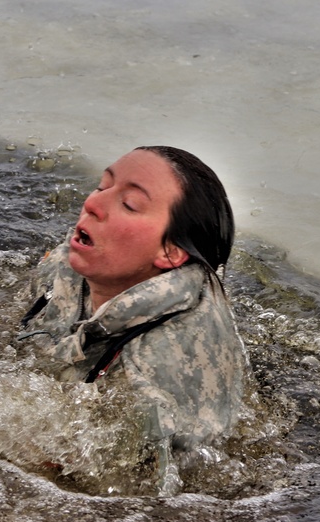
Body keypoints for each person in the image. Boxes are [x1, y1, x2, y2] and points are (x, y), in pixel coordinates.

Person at [17, 146, 246, 494]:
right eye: (102, 185)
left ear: (170, 252)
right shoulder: (84, 261)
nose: (93, 204)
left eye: (129, 204)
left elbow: (146, 501)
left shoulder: (153, 382)